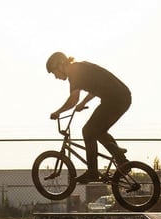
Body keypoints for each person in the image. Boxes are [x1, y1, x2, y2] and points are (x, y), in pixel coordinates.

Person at [46, 51, 132, 183]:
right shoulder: (79, 68)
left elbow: (73, 99)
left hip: (115, 99)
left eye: (54, 72)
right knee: (97, 130)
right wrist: (83, 103)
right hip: (119, 97)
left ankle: (93, 172)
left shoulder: (74, 73)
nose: (56, 77)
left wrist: (58, 112)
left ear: (60, 65)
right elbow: (96, 88)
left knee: (88, 131)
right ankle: (122, 162)